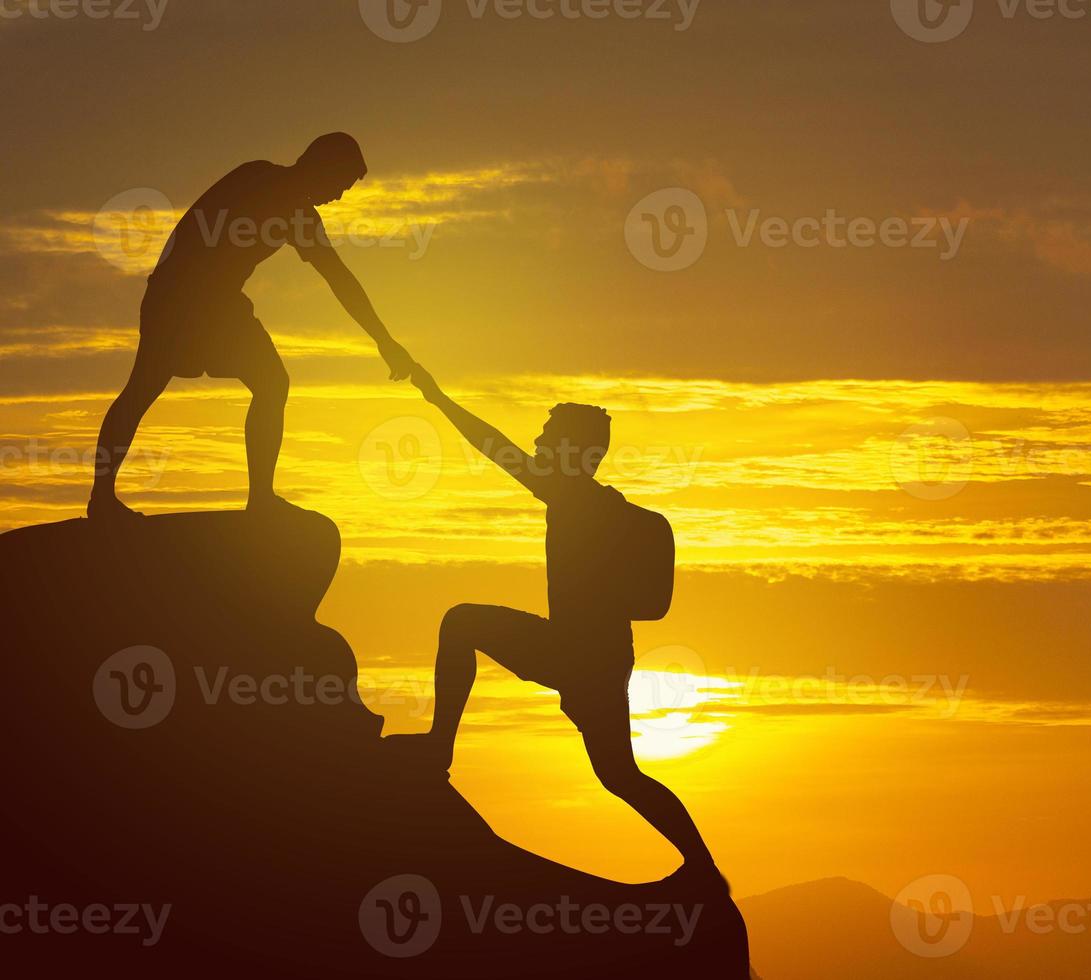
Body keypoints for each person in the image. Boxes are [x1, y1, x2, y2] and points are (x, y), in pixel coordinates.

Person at [391, 363, 719, 877]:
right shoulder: (593, 507)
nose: (536, 442)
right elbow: (497, 448)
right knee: (619, 774)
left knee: (618, 774)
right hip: (583, 651)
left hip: (590, 658)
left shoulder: (603, 511)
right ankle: (703, 866)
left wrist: (437, 396)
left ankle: (702, 866)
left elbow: (655, 605)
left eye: (547, 435)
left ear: (572, 450)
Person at [89, 132, 414, 519]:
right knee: (143, 389)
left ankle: (260, 498)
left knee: (271, 382)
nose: (339, 196)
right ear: (321, 167)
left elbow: (339, 279)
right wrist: (176, 295)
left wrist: (384, 340)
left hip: (217, 303)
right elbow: (194, 227)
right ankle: (102, 498)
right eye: (340, 184)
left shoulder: (300, 216)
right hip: (180, 297)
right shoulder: (259, 179)